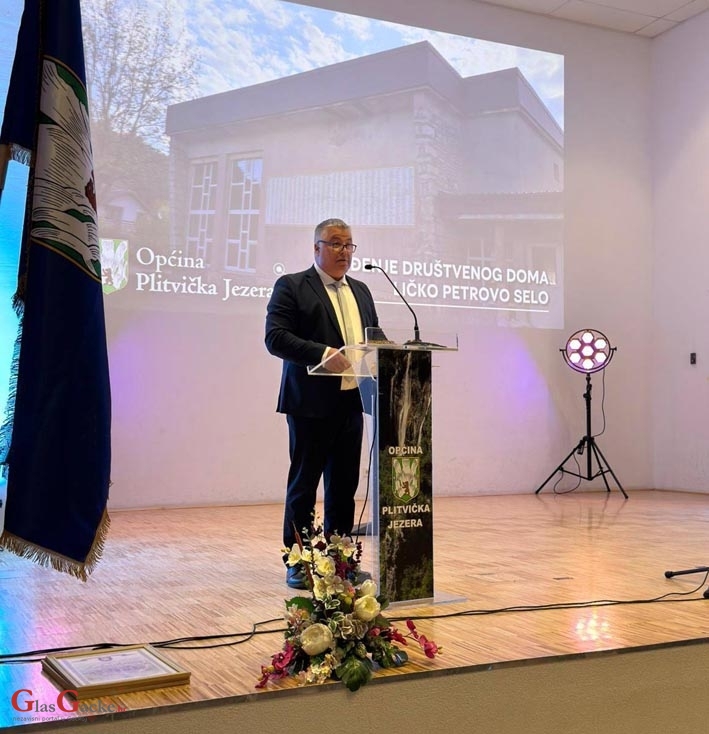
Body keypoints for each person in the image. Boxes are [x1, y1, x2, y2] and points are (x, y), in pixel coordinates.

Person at [265, 218, 380, 589]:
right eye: (335, 244)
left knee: (343, 488)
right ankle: (297, 561)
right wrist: (322, 353)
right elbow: (275, 337)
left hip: (351, 402)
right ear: (316, 248)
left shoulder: (361, 291)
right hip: (310, 405)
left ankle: (339, 561)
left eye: (349, 245)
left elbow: (372, 340)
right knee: (304, 485)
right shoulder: (293, 286)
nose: (344, 251)